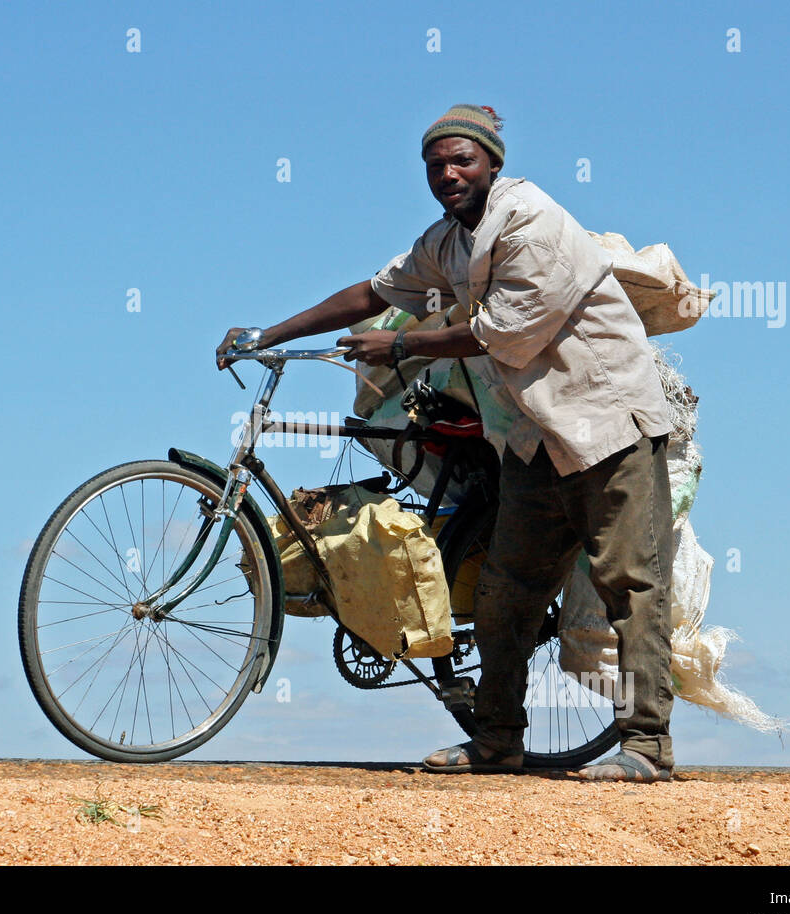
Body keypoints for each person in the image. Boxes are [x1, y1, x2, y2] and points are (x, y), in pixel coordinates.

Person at [216, 104, 677, 782]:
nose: (448, 173)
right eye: (435, 165)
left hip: (607, 422)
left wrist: (402, 342)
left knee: (629, 585)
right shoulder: (449, 241)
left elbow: (503, 334)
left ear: (493, 162)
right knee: (506, 593)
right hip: (535, 437)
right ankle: (497, 742)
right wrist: (269, 334)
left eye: (462, 160)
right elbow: (372, 292)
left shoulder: (533, 224)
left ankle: (647, 748)